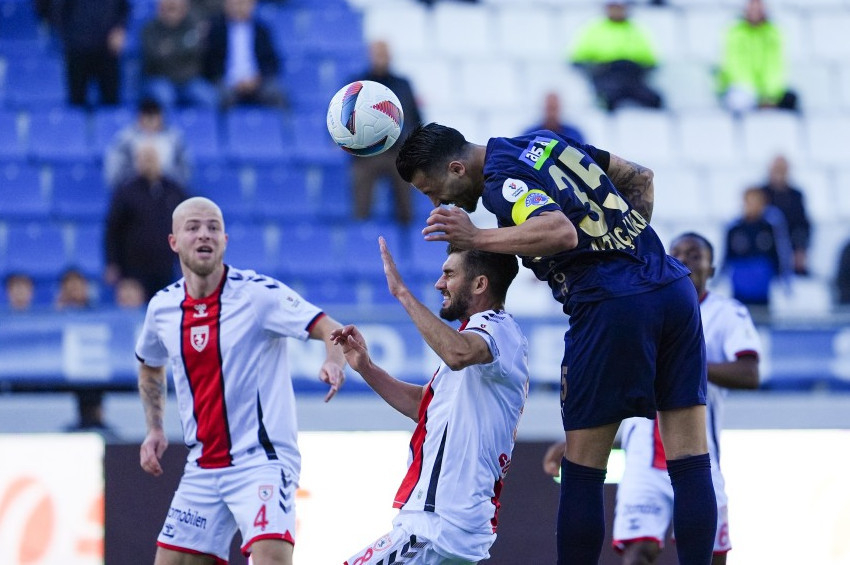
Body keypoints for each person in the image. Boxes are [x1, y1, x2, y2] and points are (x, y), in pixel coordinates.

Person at [395, 123, 716, 564]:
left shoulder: (500, 183)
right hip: (671, 287)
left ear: (456, 167)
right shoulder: (543, 142)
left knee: (582, 470)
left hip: (609, 304)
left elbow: (560, 232)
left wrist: (477, 237)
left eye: (435, 191)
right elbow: (640, 176)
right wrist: (626, 250)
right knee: (690, 461)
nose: (438, 203)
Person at [136, 196, 345, 564]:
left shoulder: (257, 295)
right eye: (194, 227)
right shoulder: (162, 308)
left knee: (270, 558)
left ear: (225, 240)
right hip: (203, 465)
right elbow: (150, 364)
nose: (205, 235)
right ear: (174, 242)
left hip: (262, 461)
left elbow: (331, 329)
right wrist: (154, 428)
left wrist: (334, 361)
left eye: (213, 227)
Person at [543, 232, 761, 565]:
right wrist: (584, 441)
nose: (685, 258)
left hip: (699, 453)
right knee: (636, 553)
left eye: (695, 254)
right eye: (677, 252)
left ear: (712, 268)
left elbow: (750, 373)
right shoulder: (639, 303)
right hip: (642, 457)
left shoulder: (727, 313)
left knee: (711, 555)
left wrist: (685, 359)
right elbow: (627, 392)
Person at [335, 238, 529, 563]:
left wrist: (401, 293)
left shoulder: (497, 330)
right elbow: (422, 406)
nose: (440, 283)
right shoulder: (477, 343)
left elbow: (457, 352)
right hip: (444, 526)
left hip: (440, 526)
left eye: (449, 274)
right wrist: (366, 367)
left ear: (480, 283)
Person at [347, 40, 424, 225]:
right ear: (369, 55)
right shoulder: (356, 84)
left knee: (406, 190)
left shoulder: (404, 85)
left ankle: (406, 231)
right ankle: (362, 232)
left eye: (384, 53)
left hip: (398, 152)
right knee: (361, 197)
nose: (381, 58)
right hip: (366, 153)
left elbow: (416, 118)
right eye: (377, 53)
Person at [105, 142, 190, 300]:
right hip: (133, 271)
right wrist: (112, 263)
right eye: (143, 158)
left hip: (166, 269)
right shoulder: (126, 192)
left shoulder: (174, 190)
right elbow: (112, 231)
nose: (148, 162)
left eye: (151, 158)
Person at [568, 1, 663, 112]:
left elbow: (650, 61)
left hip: (632, 77)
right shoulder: (594, 29)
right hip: (607, 76)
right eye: (614, 7)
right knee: (608, 99)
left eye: (620, 7)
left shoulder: (636, 30)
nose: (617, 11)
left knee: (655, 100)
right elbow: (578, 59)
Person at [716, 0, 798, 114]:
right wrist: (756, 95)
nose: (755, 11)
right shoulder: (735, 32)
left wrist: (769, 95)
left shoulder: (773, 33)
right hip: (744, 89)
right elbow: (734, 66)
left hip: (768, 92)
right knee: (739, 101)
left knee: (791, 99)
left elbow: (776, 66)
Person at [203, 0, 285, 108]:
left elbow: (272, 61)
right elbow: (210, 62)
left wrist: (257, 79)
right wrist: (233, 81)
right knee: (219, 97)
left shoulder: (262, 31)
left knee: (279, 94)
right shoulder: (216, 30)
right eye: (235, 4)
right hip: (227, 82)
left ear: (252, 5)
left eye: (243, 3)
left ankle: (286, 124)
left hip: (258, 82)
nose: (239, 8)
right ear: (226, 5)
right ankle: (222, 125)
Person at [723, 186, 792, 308]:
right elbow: (727, 257)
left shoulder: (770, 228)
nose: (752, 206)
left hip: (763, 288)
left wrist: (783, 280)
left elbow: (779, 256)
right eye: (749, 202)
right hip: (740, 287)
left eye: (756, 202)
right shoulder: (734, 228)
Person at [50, 0, 129, 107]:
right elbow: (57, 10)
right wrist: (70, 37)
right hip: (77, 51)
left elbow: (124, 8)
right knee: (76, 103)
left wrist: (120, 28)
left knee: (111, 102)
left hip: (108, 51)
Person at [141, 0, 218, 109]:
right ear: (159, 9)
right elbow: (154, 56)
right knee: (165, 98)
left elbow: (197, 50)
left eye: (174, 8)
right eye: (167, 8)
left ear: (184, 10)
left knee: (211, 99)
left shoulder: (191, 26)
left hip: (189, 80)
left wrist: (170, 48)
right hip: (161, 79)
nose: (170, 13)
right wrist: (183, 46)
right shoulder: (150, 29)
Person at [104, 98, 191, 189]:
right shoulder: (125, 140)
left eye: (154, 115)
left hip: (168, 190)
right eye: (147, 115)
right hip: (133, 189)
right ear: (139, 117)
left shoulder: (175, 139)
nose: (150, 120)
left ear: (161, 117)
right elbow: (114, 173)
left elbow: (185, 171)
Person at [759, 155, 811, 275]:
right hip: (765, 247)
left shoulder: (796, 195)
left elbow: (802, 225)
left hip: (790, 247)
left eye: (782, 170)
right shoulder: (761, 193)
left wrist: (800, 249)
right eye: (777, 169)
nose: (779, 174)